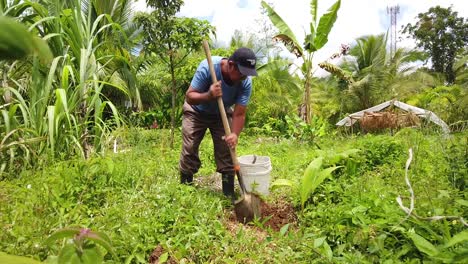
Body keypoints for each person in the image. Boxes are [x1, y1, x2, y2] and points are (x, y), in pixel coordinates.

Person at [179, 47, 258, 200]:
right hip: (196, 110)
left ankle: (228, 194)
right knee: (190, 147)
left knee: (227, 150)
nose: (244, 77)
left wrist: (234, 134)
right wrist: (208, 95)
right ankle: (185, 189)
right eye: (242, 72)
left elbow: (240, 113)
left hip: (220, 114)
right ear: (230, 64)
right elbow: (189, 96)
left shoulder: (245, 82)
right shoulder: (208, 68)